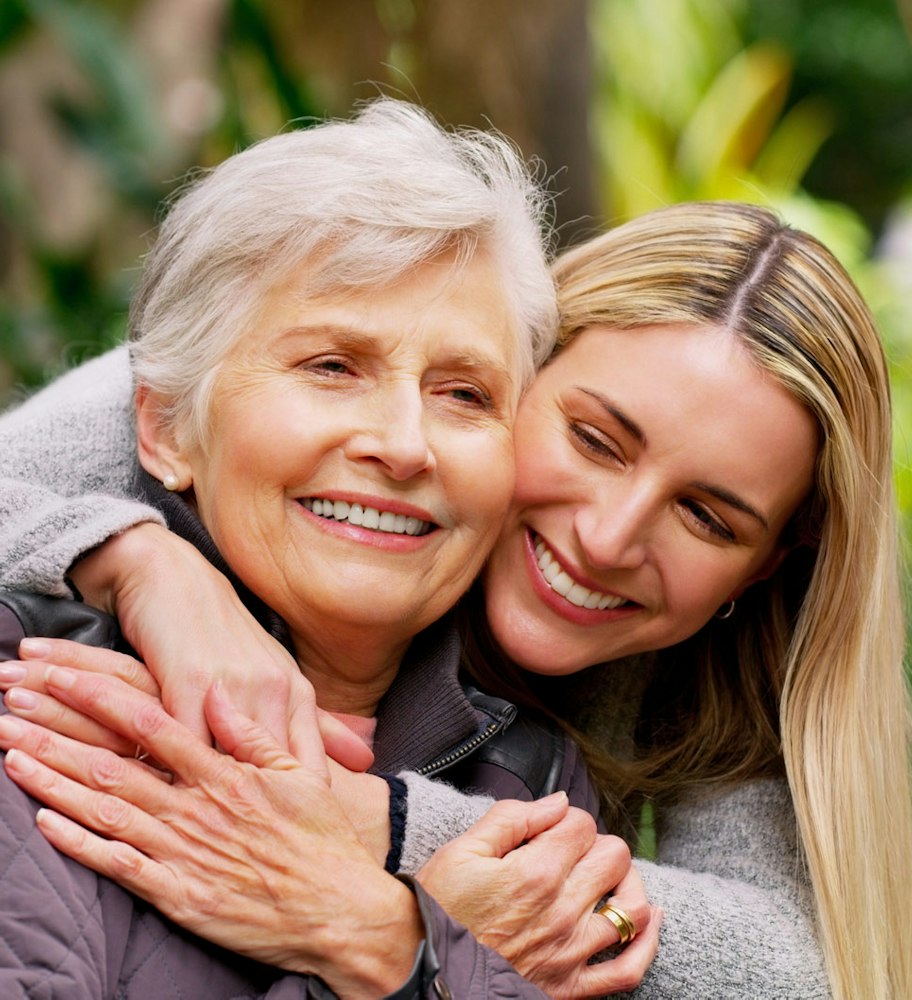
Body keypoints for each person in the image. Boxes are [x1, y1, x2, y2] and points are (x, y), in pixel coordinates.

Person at [0, 201, 912, 999]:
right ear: (510, 370)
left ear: (761, 567)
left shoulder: (708, 667)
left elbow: (794, 969)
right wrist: (139, 559)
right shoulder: (249, 394)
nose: (609, 538)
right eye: (594, 439)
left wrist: (388, 875)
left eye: (707, 517)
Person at [0, 97, 662, 999]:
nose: (404, 442)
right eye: (331, 367)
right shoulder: (36, 703)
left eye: (464, 393)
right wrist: (413, 964)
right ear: (165, 431)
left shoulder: (530, 789)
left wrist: (389, 941)